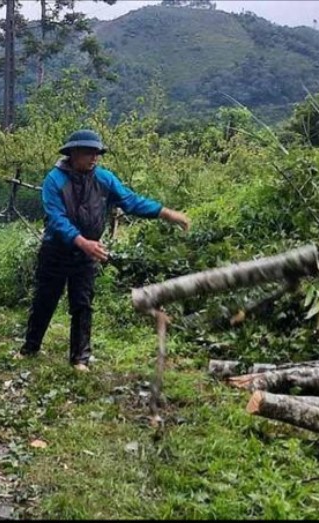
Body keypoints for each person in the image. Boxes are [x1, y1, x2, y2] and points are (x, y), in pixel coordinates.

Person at [18, 129, 190, 372]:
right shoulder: (54, 180)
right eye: (89, 153)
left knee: (83, 302)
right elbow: (56, 219)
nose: (94, 158)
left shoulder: (104, 179)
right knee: (45, 299)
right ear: (73, 153)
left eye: (97, 153)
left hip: (88, 252)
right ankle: (30, 348)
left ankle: (80, 359)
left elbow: (131, 202)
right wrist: (81, 241)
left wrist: (165, 213)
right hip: (56, 251)